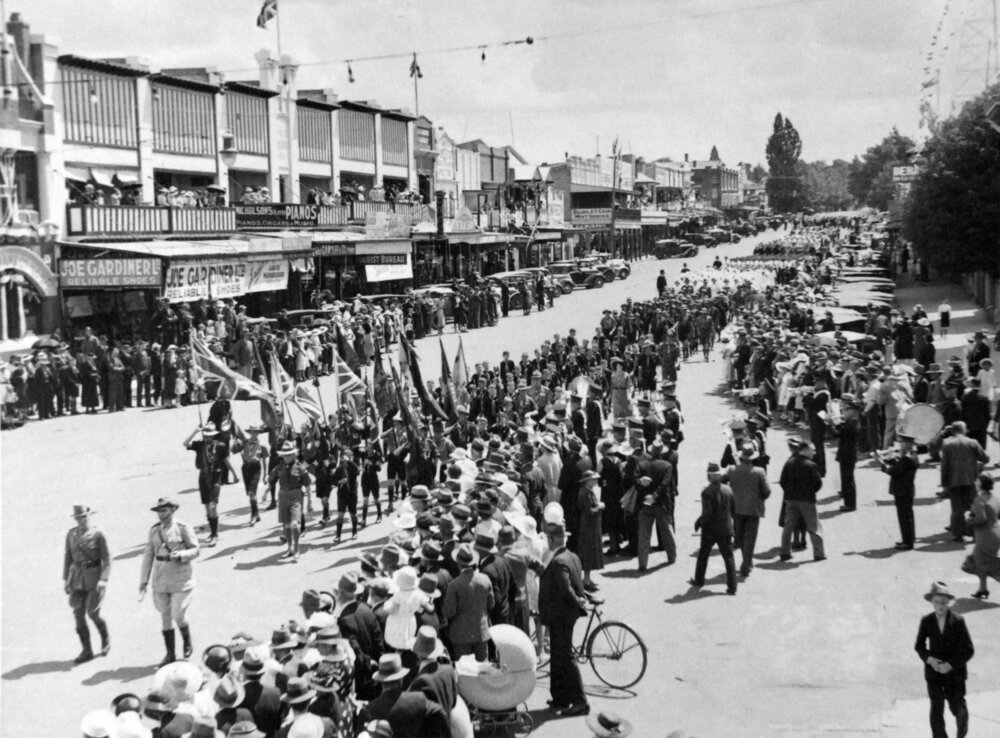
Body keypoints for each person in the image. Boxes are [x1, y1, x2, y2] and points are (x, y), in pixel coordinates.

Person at [139, 497, 199, 667]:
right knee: (165, 615)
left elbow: (196, 549)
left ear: (173, 510)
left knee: (177, 613)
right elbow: (148, 555)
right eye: (159, 511)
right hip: (160, 578)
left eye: (164, 511)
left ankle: (186, 639)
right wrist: (143, 581)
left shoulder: (183, 528)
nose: (161, 515)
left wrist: (182, 555)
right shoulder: (154, 531)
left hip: (180, 578)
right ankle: (170, 654)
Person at [538, 521, 589, 716]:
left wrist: (578, 601)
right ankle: (561, 697)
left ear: (551, 539)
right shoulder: (571, 556)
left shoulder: (559, 561)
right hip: (564, 614)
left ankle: (580, 701)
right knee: (558, 657)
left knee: (565, 656)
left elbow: (566, 588)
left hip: (562, 615)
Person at [914, 581, 974, 738]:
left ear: (948, 602)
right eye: (936, 602)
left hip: (954, 674)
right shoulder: (926, 621)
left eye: (943, 602)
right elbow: (919, 646)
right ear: (931, 602)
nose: (940, 606)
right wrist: (929, 660)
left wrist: (950, 665)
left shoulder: (958, 622)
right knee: (936, 709)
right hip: (934, 673)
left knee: (956, 707)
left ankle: (962, 723)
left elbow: (968, 650)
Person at [64, 504, 111, 663]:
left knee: (93, 613)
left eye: (84, 516)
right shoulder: (71, 535)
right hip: (77, 579)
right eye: (78, 517)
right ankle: (86, 650)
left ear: (89, 516)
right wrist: (66, 580)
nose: (81, 520)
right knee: (78, 615)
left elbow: (107, 558)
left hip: (94, 577)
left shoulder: (98, 534)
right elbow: (68, 557)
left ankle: (105, 638)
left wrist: (104, 579)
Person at [690, 462, 737, 595]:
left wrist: (699, 522)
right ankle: (732, 586)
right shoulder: (728, 490)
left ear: (709, 476)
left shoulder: (706, 492)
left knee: (703, 555)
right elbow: (733, 510)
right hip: (726, 528)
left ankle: (699, 580)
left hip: (710, 530)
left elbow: (707, 513)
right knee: (728, 557)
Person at [724, 444, 771, 577]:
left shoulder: (732, 469)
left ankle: (747, 562)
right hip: (753, 508)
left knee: (741, 535)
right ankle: (747, 563)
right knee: (750, 537)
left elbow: (722, 481)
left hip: (736, 508)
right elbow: (767, 491)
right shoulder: (759, 471)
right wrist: (759, 498)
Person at [442, 543, 493, 661]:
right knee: (482, 671)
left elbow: (449, 612)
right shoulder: (485, 580)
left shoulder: (453, 585)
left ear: (458, 563)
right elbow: (491, 604)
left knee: (464, 672)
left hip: (461, 636)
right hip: (481, 633)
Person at [941, 421, 989, 543]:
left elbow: (944, 466)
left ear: (952, 431)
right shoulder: (973, 442)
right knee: (974, 507)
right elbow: (985, 458)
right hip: (971, 480)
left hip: (953, 481)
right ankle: (974, 533)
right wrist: (977, 467)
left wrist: (944, 483)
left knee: (957, 509)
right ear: (964, 430)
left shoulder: (947, 443)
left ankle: (958, 535)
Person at [778, 440, 825, 562]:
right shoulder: (811, 465)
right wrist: (810, 492)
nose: (814, 453)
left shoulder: (789, 463)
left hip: (791, 500)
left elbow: (782, 481)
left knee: (788, 526)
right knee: (814, 526)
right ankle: (819, 553)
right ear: (805, 450)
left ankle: (785, 552)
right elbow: (818, 483)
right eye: (812, 450)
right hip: (807, 500)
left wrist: (789, 493)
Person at [183, 425, 227, 547]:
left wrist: (232, 474)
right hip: (203, 476)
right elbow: (185, 443)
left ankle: (215, 535)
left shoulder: (220, 446)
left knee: (213, 506)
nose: (208, 437)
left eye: (210, 435)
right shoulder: (200, 445)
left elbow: (225, 460)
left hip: (215, 477)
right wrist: (195, 431)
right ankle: (212, 533)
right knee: (207, 507)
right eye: (206, 435)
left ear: (214, 435)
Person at [268, 440, 311, 561]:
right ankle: (289, 549)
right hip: (282, 496)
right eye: (284, 455)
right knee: (286, 525)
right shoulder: (279, 467)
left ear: (294, 454)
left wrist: (309, 502)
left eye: (289, 454)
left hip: (296, 496)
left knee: (295, 524)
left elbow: (307, 484)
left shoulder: (300, 468)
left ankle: (297, 549)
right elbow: (273, 480)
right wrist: (266, 492)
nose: (286, 457)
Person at [966, 472, 1000, 599]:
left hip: (985, 535)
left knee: (986, 563)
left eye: (977, 480)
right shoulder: (994, 497)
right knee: (980, 561)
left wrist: (968, 519)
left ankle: (983, 588)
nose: (975, 482)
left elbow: (981, 519)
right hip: (995, 533)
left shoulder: (979, 499)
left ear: (981, 484)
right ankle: (982, 589)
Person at [576, 469, 604, 591]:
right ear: (588, 481)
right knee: (588, 553)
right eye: (594, 479)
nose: (596, 481)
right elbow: (589, 511)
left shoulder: (588, 491)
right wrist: (599, 507)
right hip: (588, 527)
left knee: (591, 553)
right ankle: (586, 580)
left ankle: (587, 578)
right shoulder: (584, 493)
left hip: (591, 526)